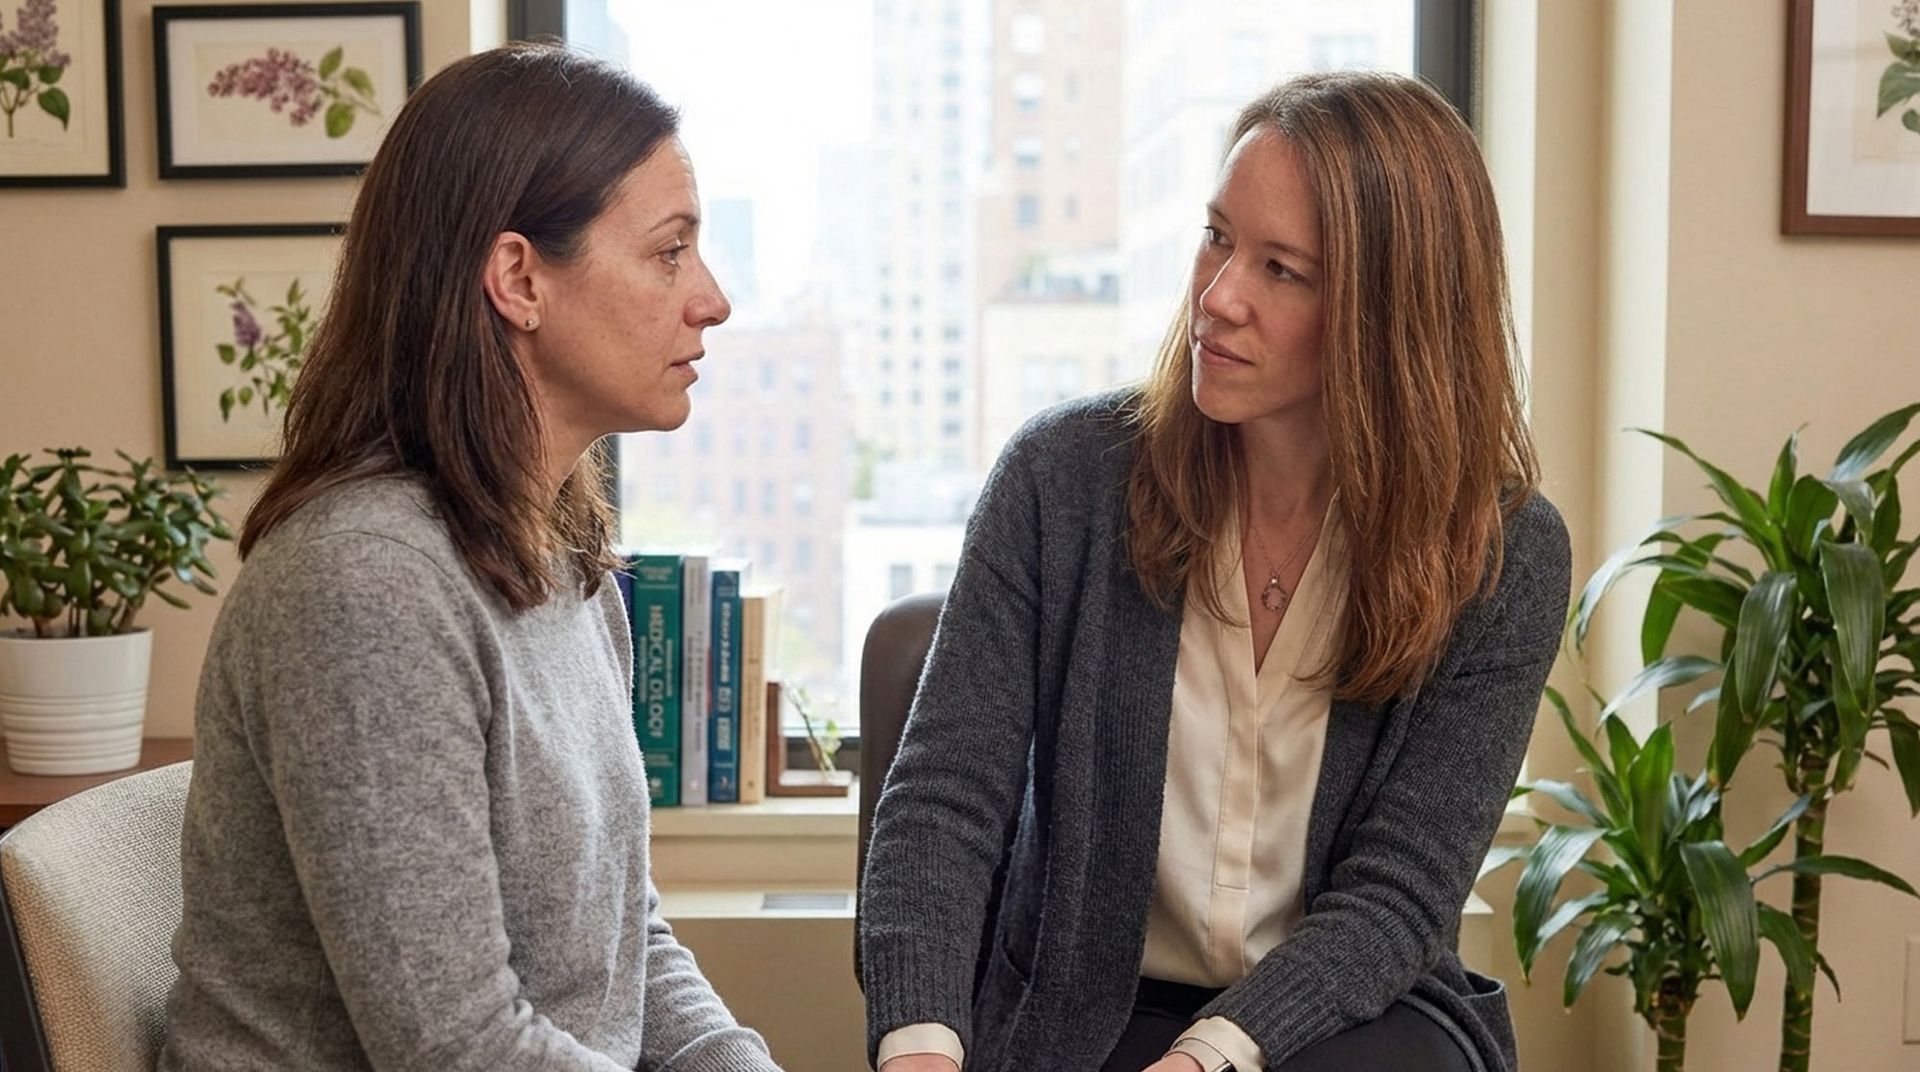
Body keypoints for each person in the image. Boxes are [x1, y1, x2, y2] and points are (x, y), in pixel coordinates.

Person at [859, 70, 1570, 1072]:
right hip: (1077, 1006)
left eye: (1283, 270)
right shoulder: (1062, 481)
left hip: (1342, 1017)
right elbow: (942, 803)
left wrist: (1211, 1055)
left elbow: (1399, 896)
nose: (1219, 295)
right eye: (1217, 237)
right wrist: (919, 1047)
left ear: (1390, 312)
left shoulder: (1502, 552)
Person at [159, 44, 780, 1072]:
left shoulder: (567, 566)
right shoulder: (366, 583)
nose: (710, 298)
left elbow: (631, 948)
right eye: (669, 252)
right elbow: (454, 1045)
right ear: (518, 278)